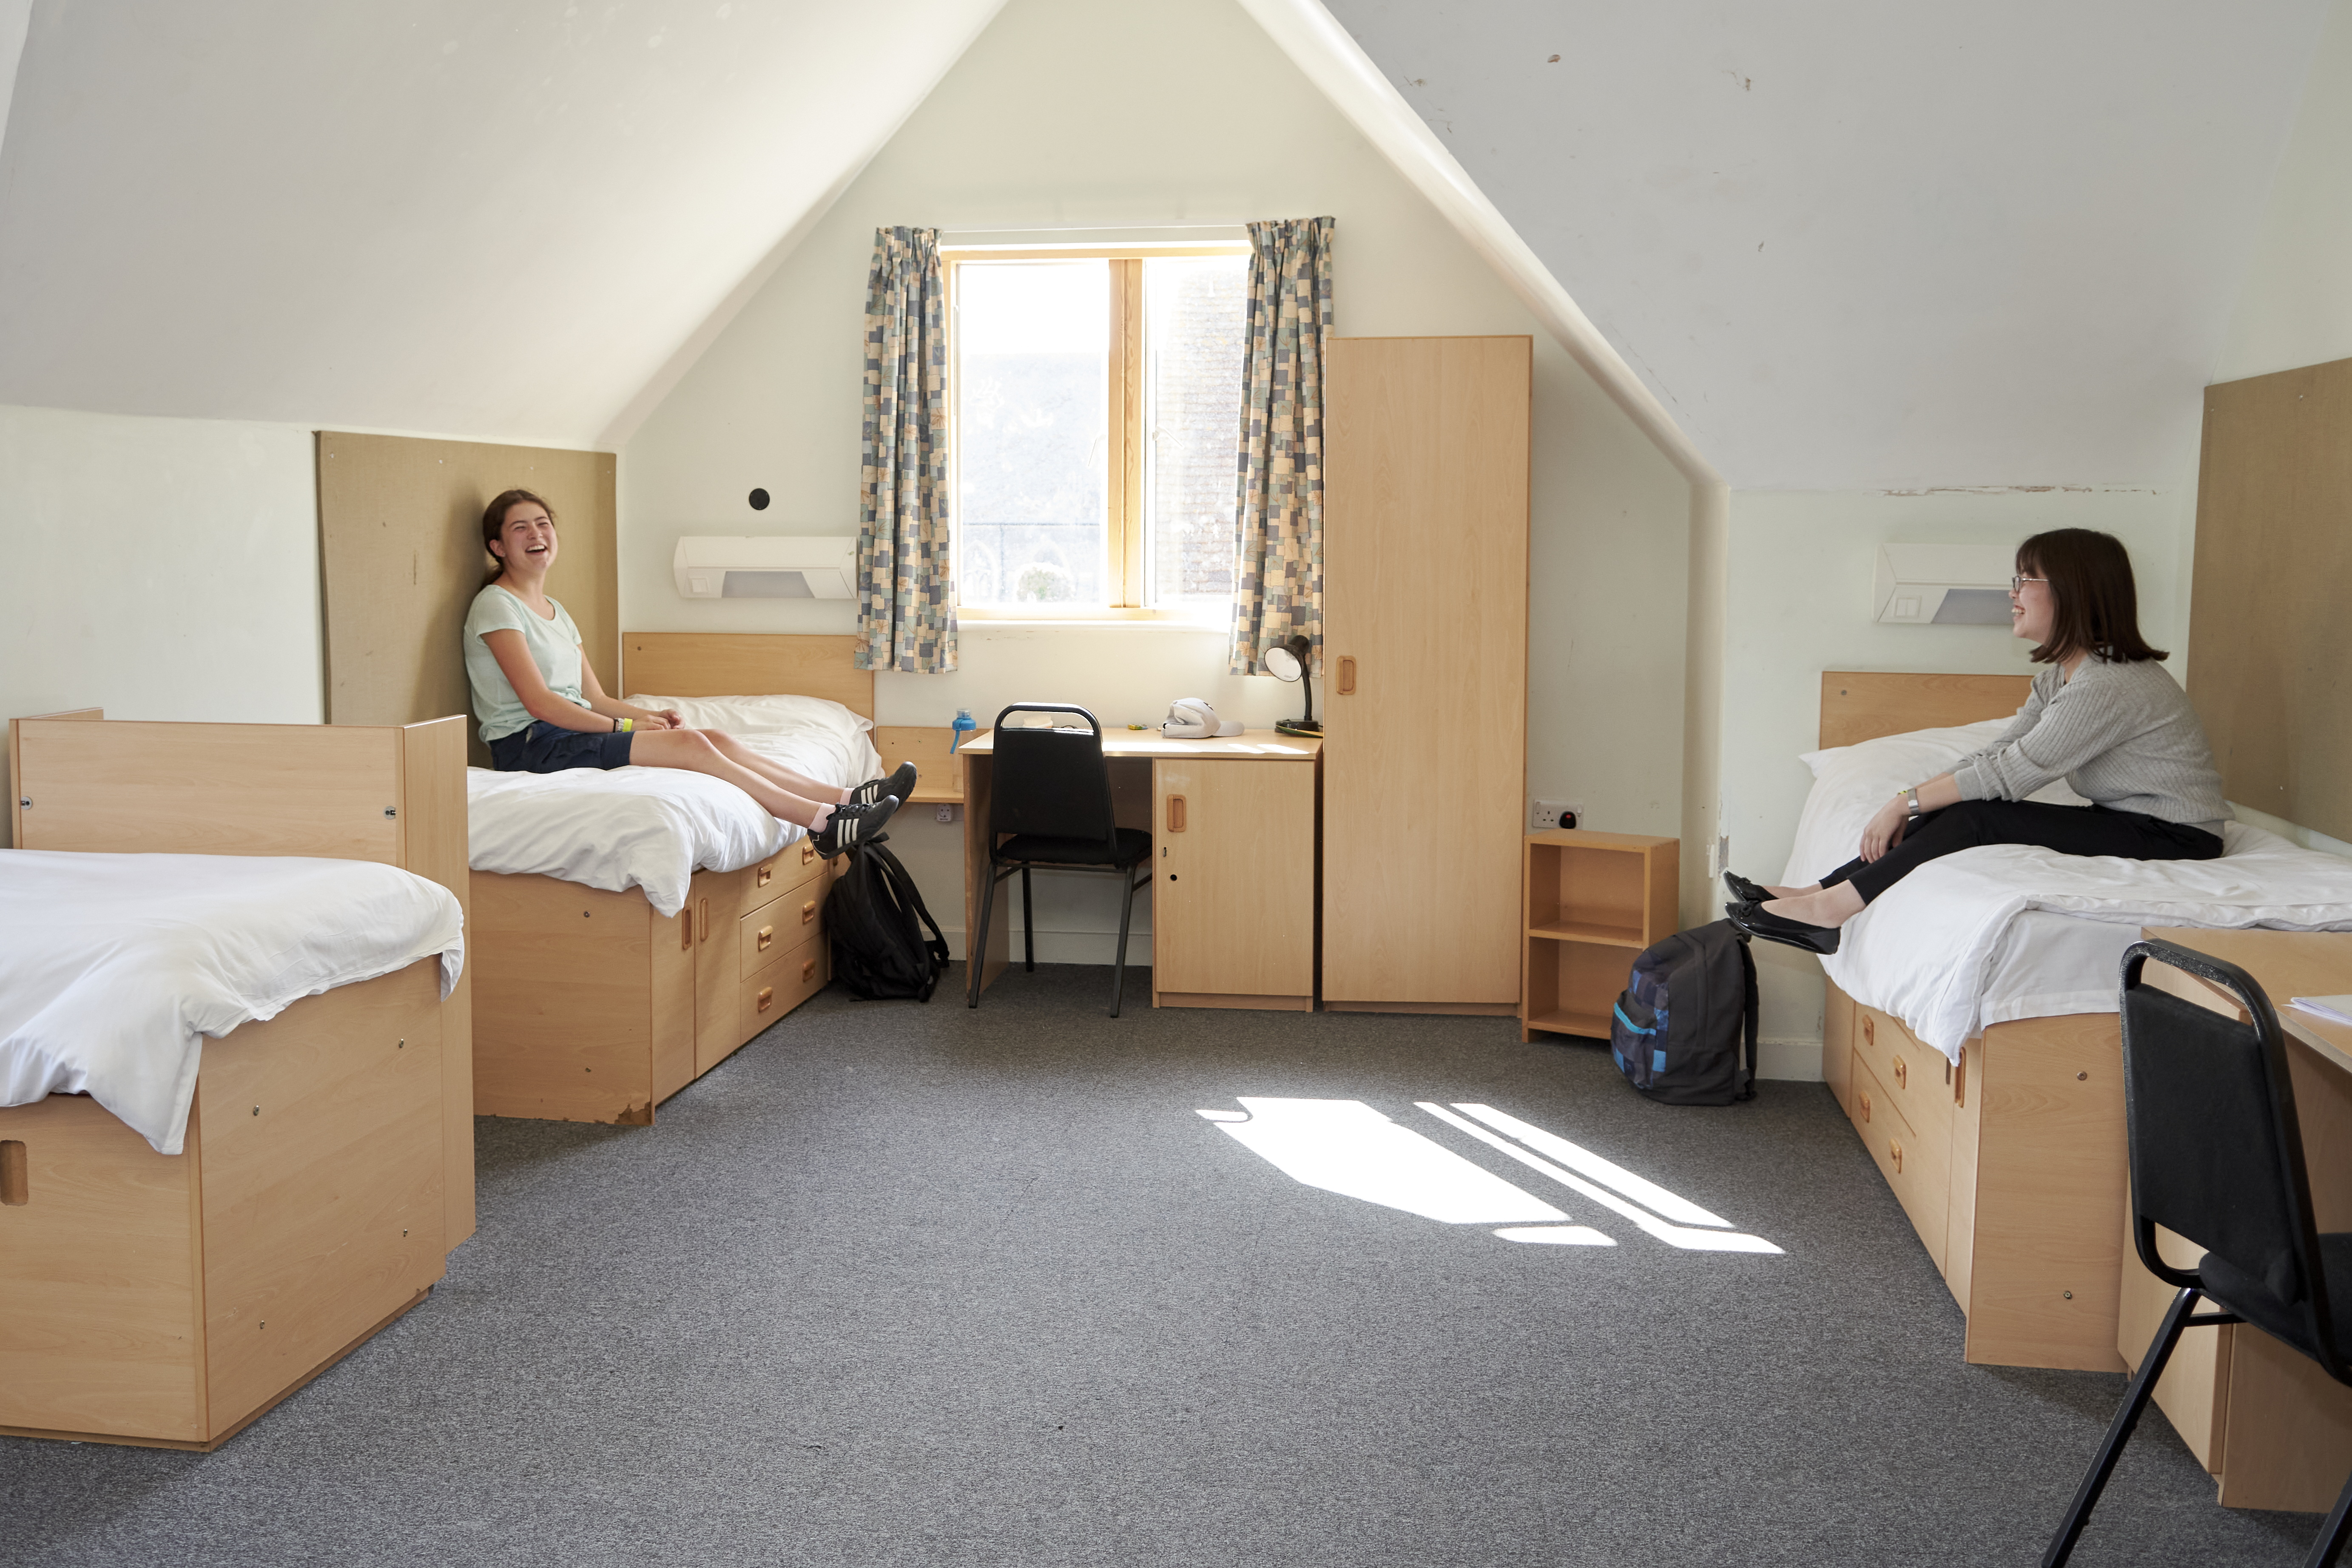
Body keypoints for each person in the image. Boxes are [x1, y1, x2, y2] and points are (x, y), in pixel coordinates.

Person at [1725, 528, 2228, 954]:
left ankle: (1829, 910)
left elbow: (2011, 775)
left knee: (1974, 813)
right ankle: (1819, 891)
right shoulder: (2064, 676)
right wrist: (1914, 802)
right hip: (2130, 820)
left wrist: (1901, 803)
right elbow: (1994, 755)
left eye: (2024, 580)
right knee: (1954, 806)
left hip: (2178, 836)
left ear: (2072, 590)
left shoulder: (2109, 682)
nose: (2012, 593)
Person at [462, 488, 908, 857]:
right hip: (531, 746)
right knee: (693, 745)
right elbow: (540, 703)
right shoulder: (496, 606)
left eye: (543, 523)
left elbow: (593, 698)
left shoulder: (556, 611)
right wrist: (625, 724)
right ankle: (823, 823)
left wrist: (648, 716)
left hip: (566, 734)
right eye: (520, 528)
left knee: (714, 738)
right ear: (498, 548)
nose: (536, 533)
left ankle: (848, 798)